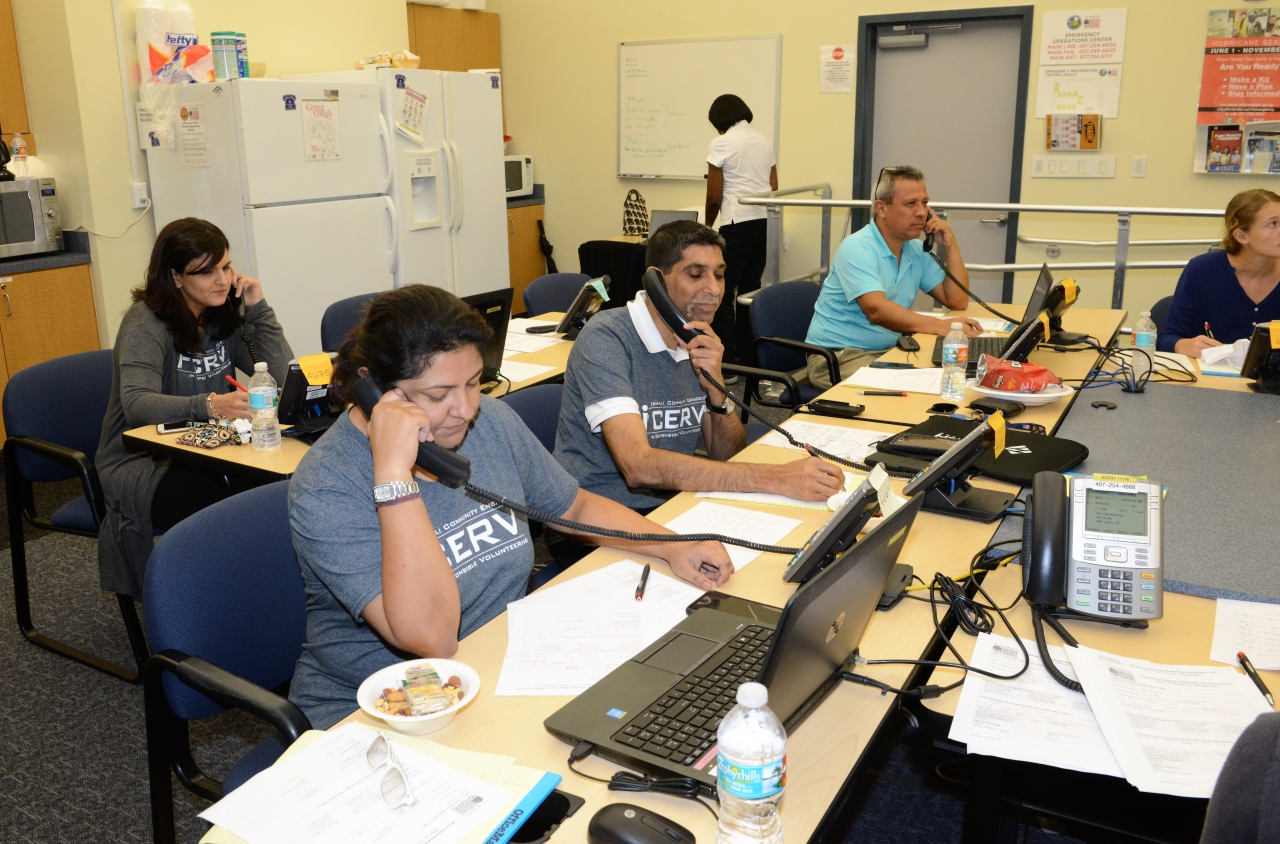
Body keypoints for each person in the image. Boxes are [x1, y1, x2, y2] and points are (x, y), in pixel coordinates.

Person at [287, 285, 733, 729]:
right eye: (438, 394)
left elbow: (572, 507)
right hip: (380, 710)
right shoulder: (328, 483)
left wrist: (671, 545)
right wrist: (393, 475)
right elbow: (432, 637)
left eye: (473, 382)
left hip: (498, 667)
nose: (465, 409)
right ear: (373, 391)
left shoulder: (489, 422)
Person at [555, 220, 845, 517]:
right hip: (602, 514)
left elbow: (727, 457)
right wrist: (775, 477)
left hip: (675, 503)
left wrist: (716, 390)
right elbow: (638, 467)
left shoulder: (697, 339)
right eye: (695, 274)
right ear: (655, 281)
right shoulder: (607, 338)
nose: (714, 289)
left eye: (719, 275)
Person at [95, 218, 293, 598]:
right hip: (147, 462)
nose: (221, 280)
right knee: (236, 506)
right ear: (176, 277)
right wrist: (211, 404)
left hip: (212, 448)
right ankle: (219, 606)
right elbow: (137, 405)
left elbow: (280, 376)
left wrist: (258, 308)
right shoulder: (145, 323)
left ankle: (260, 596)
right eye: (206, 272)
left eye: (225, 267)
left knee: (280, 490)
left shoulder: (222, 315)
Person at [804, 165, 983, 389]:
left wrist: (951, 245)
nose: (921, 212)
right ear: (881, 208)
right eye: (911, 204)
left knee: (955, 375)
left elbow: (957, 300)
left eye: (925, 203)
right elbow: (875, 310)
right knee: (926, 386)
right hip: (838, 357)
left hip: (889, 350)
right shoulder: (857, 248)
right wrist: (938, 326)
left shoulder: (915, 249)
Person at [1158, 188, 1280, 357]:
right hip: (1210, 379)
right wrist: (1184, 345)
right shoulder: (1201, 271)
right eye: (1273, 224)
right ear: (1241, 236)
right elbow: (1167, 339)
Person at [705, 93, 777, 366]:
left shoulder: (721, 143)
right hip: (764, 222)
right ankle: (749, 359)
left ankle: (729, 363)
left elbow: (714, 196)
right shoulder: (763, 140)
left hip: (736, 223)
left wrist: (707, 228)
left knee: (723, 293)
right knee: (750, 291)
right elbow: (773, 185)